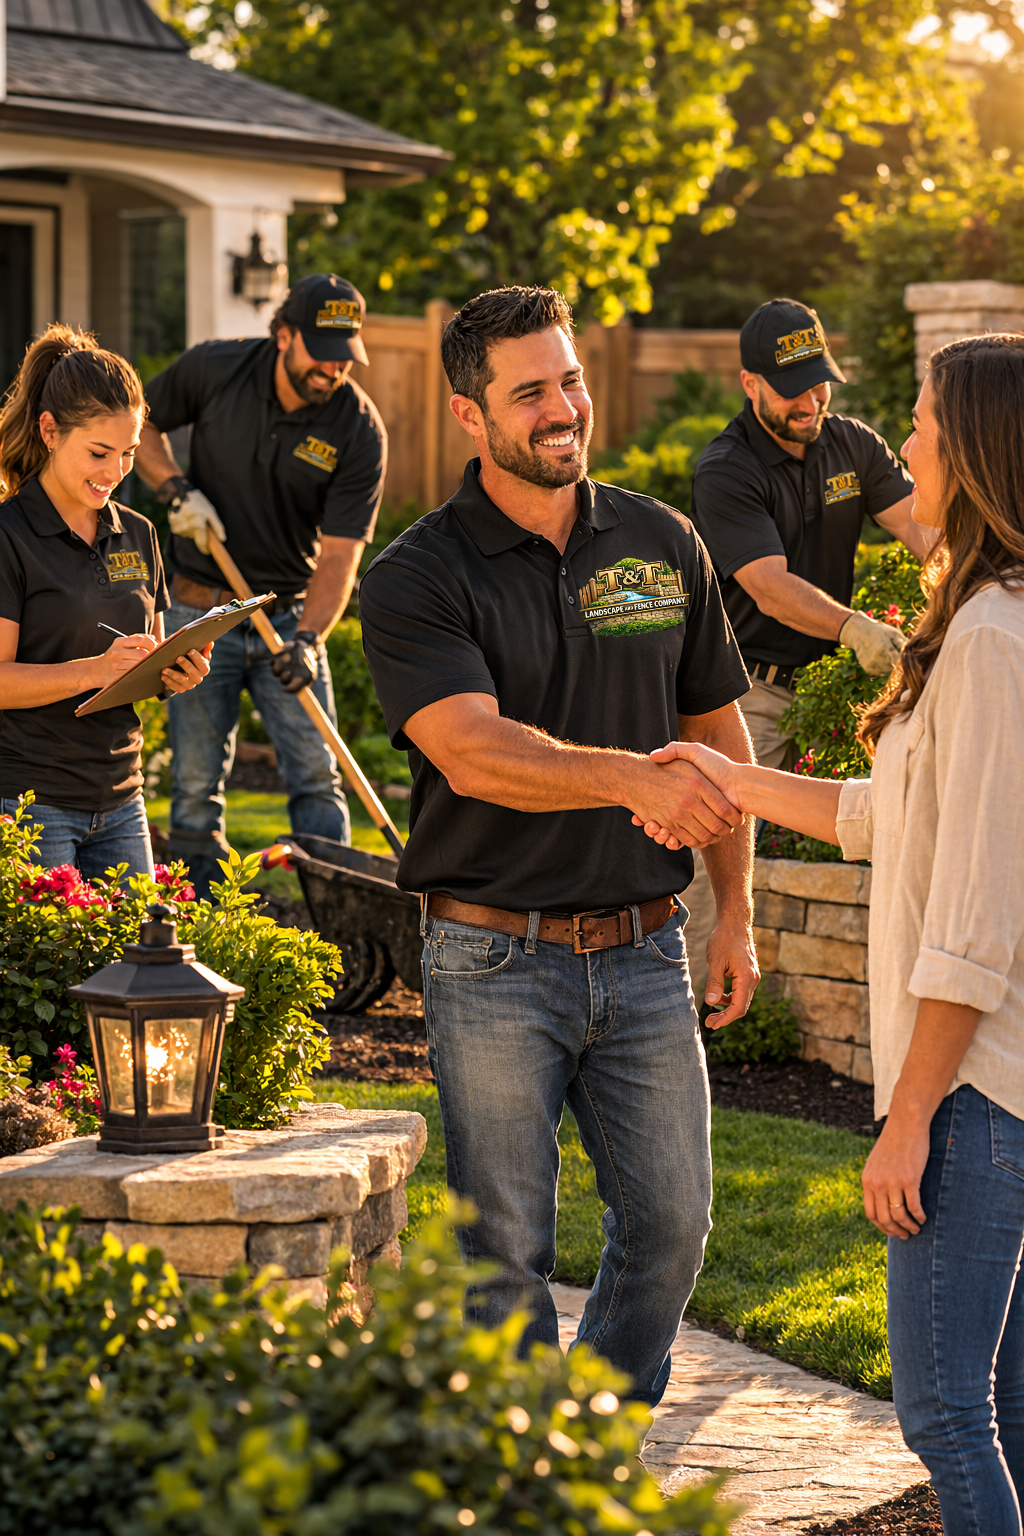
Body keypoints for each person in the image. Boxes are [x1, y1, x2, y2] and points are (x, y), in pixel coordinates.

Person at [644, 333, 1024, 1532]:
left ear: (972, 455)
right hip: (989, 1088)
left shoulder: (991, 644)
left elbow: (972, 918)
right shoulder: (984, 625)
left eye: (921, 425)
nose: (903, 446)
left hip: (975, 1090)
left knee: (946, 1418)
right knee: (1003, 1412)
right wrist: (726, 774)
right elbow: (886, 816)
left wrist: (908, 1118)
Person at [359, 286, 758, 1408]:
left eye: (569, 378)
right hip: (492, 961)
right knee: (506, 1259)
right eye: (529, 390)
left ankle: (587, 1447)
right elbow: (474, 751)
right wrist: (626, 776)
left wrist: (736, 911)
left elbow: (714, 740)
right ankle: (528, 1485)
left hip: (642, 952)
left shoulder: (657, 539)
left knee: (674, 1227)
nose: (562, 408)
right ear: (468, 415)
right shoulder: (417, 577)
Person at [683, 297, 935, 999]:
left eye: (818, 379)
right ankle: (697, 1014)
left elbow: (925, 529)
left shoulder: (852, 443)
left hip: (831, 690)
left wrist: (976, 582)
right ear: (750, 383)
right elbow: (767, 586)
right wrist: (857, 628)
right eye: (791, 386)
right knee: (723, 846)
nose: (810, 398)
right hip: (750, 692)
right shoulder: (727, 470)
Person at [133, 273, 387, 898]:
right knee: (194, 780)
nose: (334, 370)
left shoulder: (357, 428)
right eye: (322, 355)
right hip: (199, 613)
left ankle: (335, 915)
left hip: (286, 617)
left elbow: (341, 553)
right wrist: (174, 488)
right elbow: (137, 423)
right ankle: (196, 920)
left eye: (344, 358)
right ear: (284, 336)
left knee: (315, 774)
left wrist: (307, 639)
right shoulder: (216, 369)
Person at [0, 325, 211, 880]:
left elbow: (149, 655)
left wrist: (174, 670)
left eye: (128, 454)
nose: (116, 472)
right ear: (49, 431)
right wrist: (94, 670)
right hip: (28, 804)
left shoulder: (139, 533)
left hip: (122, 800)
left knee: (136, 963)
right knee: (52, 969)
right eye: (99, 452)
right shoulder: (8, 536)